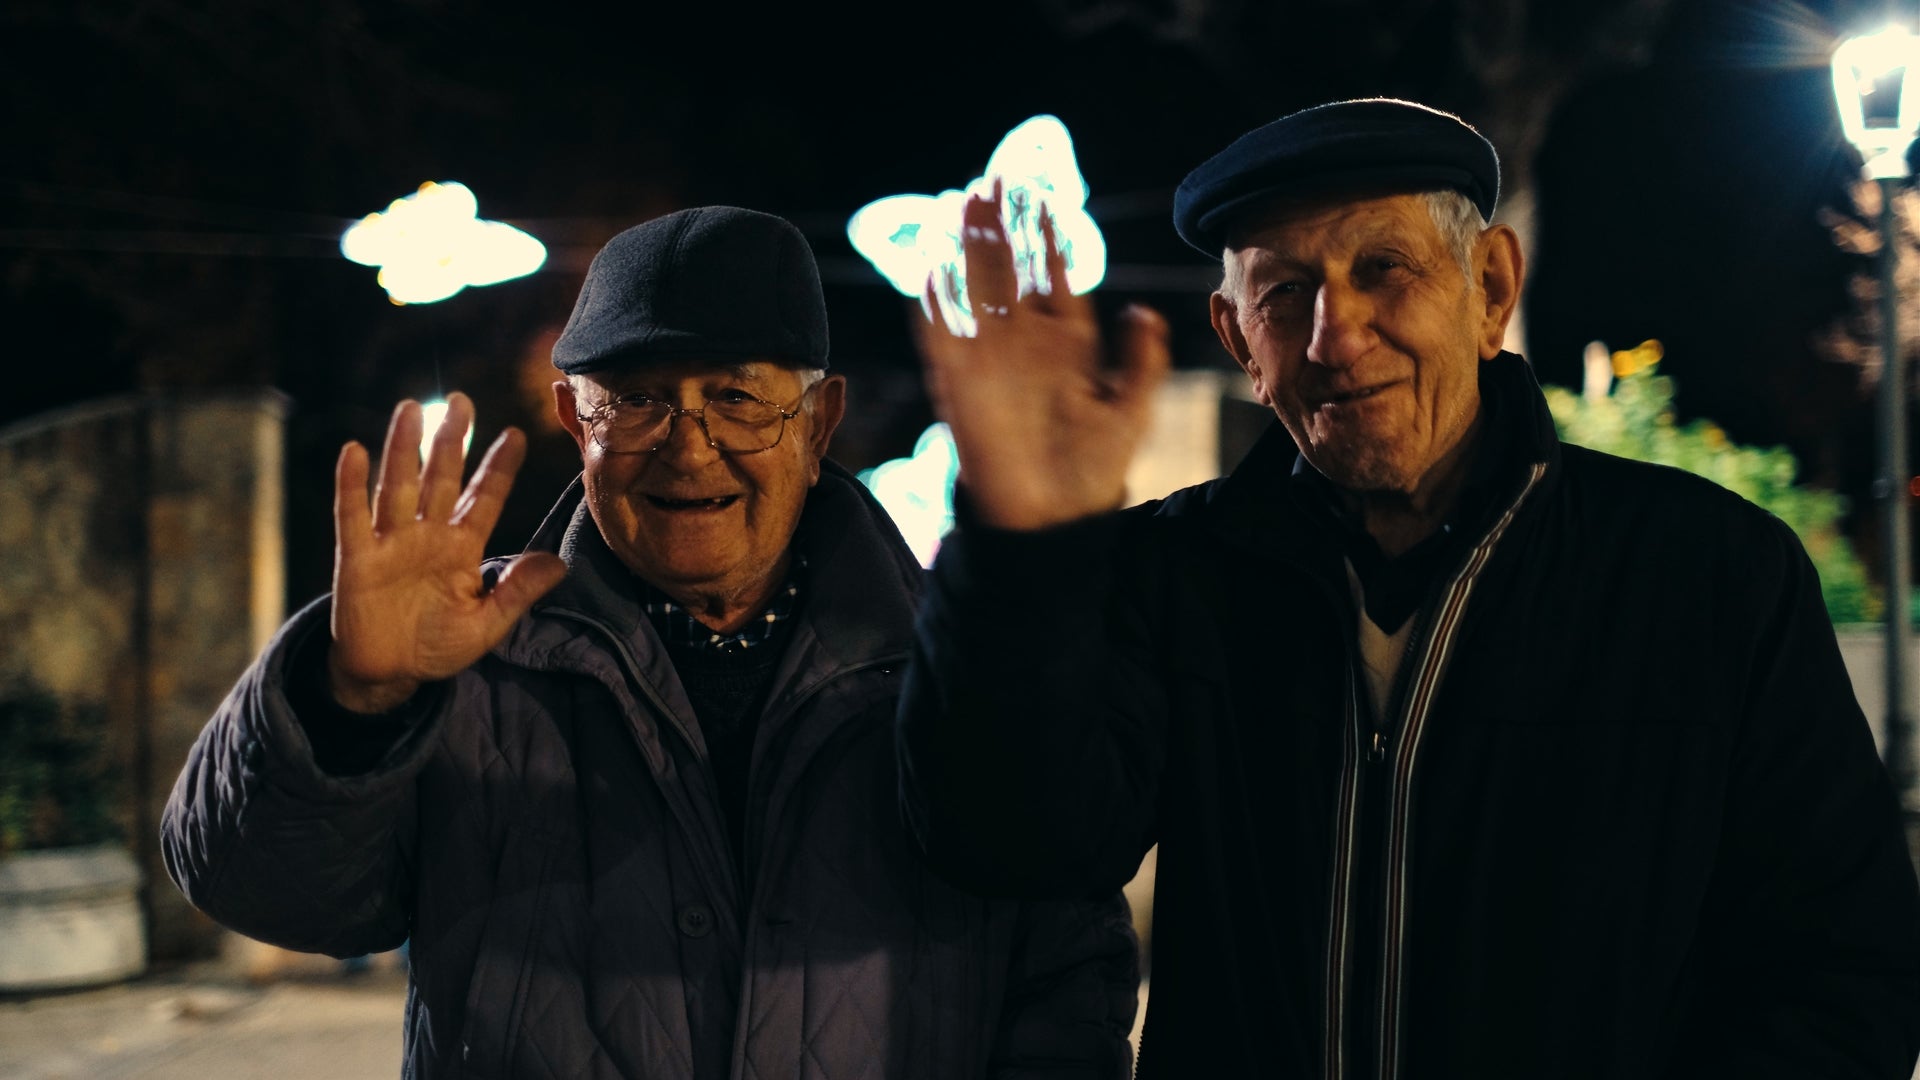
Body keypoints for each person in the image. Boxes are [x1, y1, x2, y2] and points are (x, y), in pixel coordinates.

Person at [896, 97, 1920, 1078]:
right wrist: (1023, 543)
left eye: (1385, 268)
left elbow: (1842, 973)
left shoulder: (1708, 575)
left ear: (1490, 289)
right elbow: (1009, 842)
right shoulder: (1169, 575)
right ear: (1234, 336)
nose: (1333, 337)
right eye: (1284, 293)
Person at [162, 206, 1140, 1079]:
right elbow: (273, 898)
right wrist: (357, 698)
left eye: (739, 398)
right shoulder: (461, 657)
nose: (686, 444)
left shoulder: (964, 662)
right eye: (635, 400)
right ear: (570, 418)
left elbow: (1066, 981)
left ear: (821, 421)